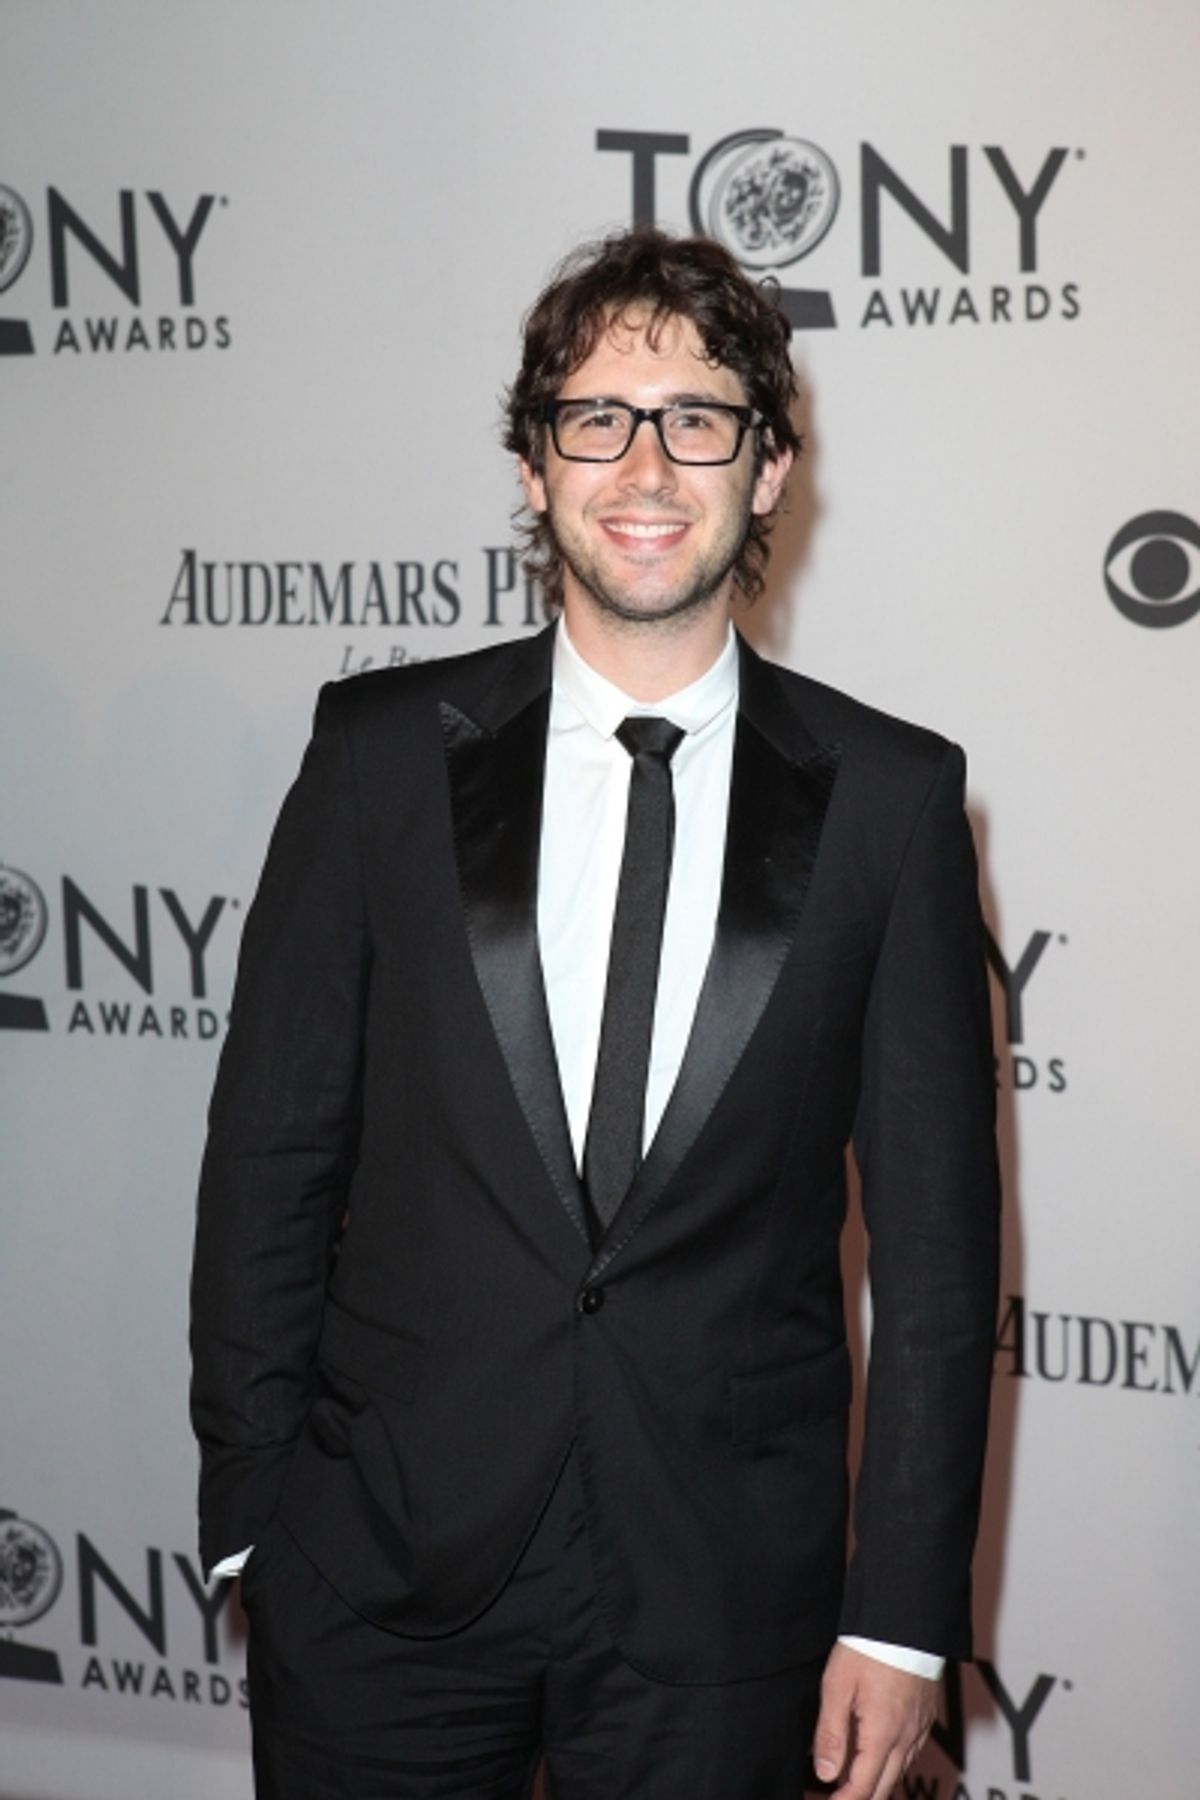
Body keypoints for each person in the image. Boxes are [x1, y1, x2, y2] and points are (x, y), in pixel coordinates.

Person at [190, 226, 1000, 1800]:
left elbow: (939, 1255)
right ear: (533, 460)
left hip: (726, 1596)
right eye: (596, 418)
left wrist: (901, 1619)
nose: (644, 465)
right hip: (377, 1575)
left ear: (767, 468)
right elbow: (270, 1159)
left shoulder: (892, 801)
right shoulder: (377, 758)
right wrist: (254, 1515)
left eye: (697, 418)